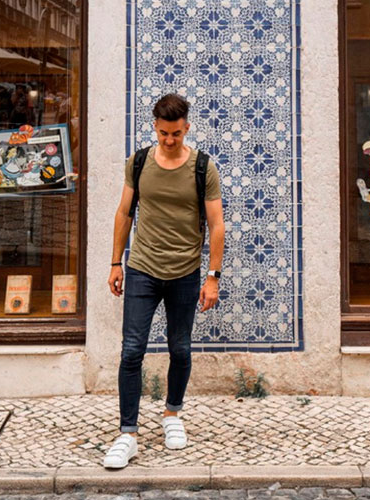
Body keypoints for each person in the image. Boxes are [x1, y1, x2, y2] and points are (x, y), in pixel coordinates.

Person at [103, 94, 224, 468]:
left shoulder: (203, 167)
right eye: (163, 133)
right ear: (154, 127)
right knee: (131, 351)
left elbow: (217, 225)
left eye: (176, 133)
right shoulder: (139, 162)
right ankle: (128, 434)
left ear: (186, 128)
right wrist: (115, 263)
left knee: (180, 349)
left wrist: (213, 277)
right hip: (142, 268)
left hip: (185, 273)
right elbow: (124, 213)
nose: (169, 140)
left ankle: (172, 414)